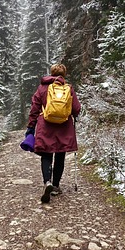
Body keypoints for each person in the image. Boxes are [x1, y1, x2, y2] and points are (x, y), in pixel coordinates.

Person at [25, 63, 81, 204]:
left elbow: (34, 109)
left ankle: (47, 182)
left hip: (46, 125)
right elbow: (76, 109)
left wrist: (31, 127)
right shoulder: (68, 88)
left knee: (46, 155)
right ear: (64, 75)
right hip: (64, 126)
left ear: (51, 73)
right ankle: (55, 186)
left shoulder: (42, 88)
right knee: (60, 155)